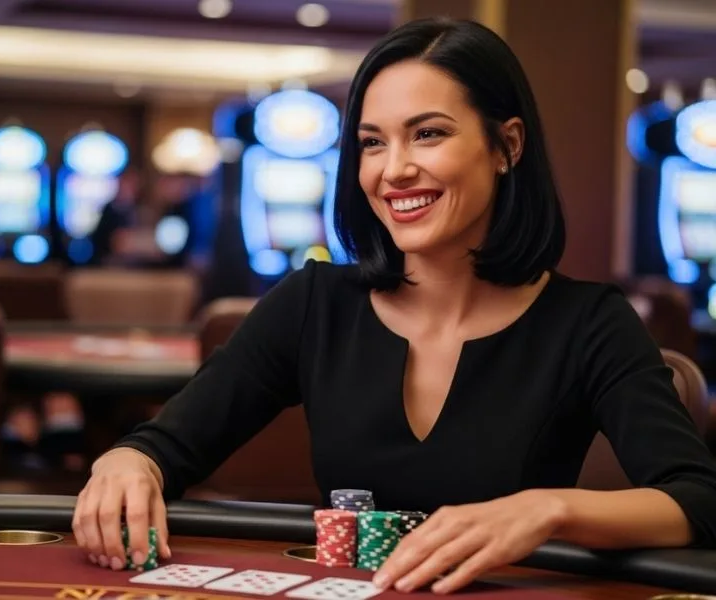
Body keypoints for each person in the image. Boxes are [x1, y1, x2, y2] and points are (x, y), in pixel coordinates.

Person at [72, 17, 716, 594]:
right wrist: (131, 461)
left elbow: (699, 499)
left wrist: (547, 510)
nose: (394, 170)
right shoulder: (314, 303)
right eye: (373, 142)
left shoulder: (588, 322)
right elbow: (165, 447)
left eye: (428, 134)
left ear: (507, 146)